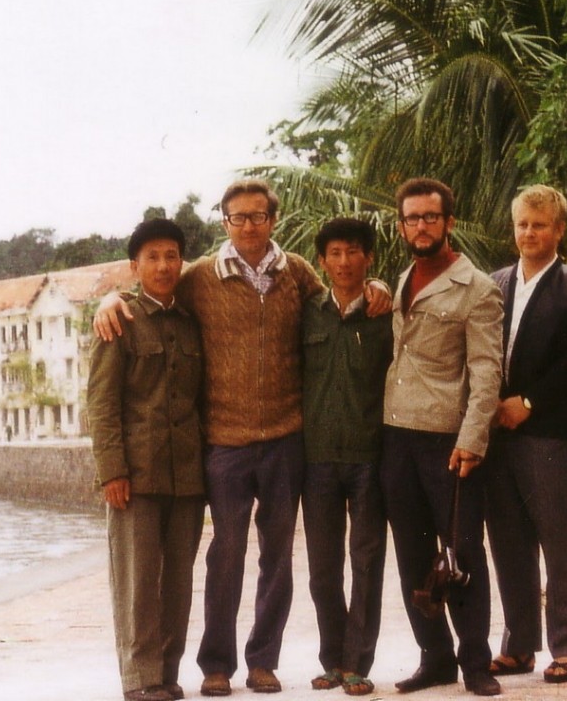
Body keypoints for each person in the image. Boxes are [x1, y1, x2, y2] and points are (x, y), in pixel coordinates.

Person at [94, 179, 390, 697]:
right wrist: (108, 299)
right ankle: (216, 665)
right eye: (238, 218)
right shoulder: (199, 277)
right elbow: (151, 291)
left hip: (285, 439)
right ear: (224, 222)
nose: (249, 226)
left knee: (277, 557)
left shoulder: (297, 272)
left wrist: (378, 286)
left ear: (272, 219)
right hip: (224, 444)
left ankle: (263, 661)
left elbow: (341, 301)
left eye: (258, 216)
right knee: (224, 556)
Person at [381, 177, 505, 698]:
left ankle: (475, 661)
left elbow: (487, 371)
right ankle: (435, 659)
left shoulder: (476, 287)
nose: (421, 226)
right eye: (412, 218)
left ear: (448, 222)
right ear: (402, 225)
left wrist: (473, 439)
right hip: (396, 438)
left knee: (463, 553)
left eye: (431, 217)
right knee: (412, 554)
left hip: (447, 441)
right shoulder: (403, 278)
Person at [87, 219, 205, 701]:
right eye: (152, 257)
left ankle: (166, 675)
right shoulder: (119, 321)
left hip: (187, 476)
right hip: (135, 475)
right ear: (134, 267)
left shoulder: (191, 321)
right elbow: (101, 403)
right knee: (137, 585)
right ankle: (139, 680)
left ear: (182, 262)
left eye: (172, 255)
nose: (163, 265)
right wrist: (112, 471)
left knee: (177, 584)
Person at [483, 186, 567, 685]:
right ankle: (519, 646)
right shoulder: (494, 283)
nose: (530, 233)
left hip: (551, 434)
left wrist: (528, 403)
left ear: (560, 229)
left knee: (560, 543)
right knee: (508, 544)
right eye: (523, 224)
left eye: (540, 225)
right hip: (497, 437)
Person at [301, 218, 394, 698]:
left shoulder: (386, 313)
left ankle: (358, 663)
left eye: (353, 252)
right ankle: (332, 660)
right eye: (334, 253)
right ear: (322, 260)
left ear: (369, 258)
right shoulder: (307, 312)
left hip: (368, 457)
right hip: (316, 459)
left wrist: (383, 291)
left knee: (366, 562)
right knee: (322, 568)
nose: (343, 262)